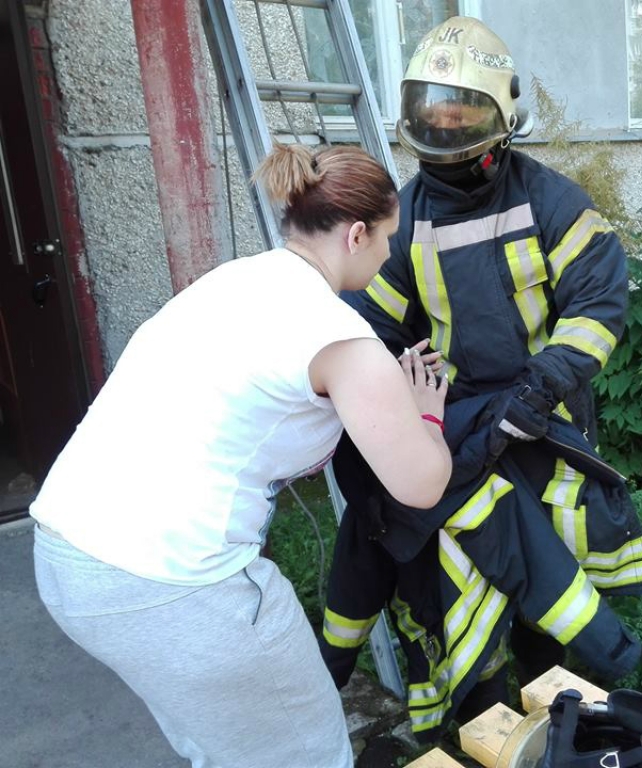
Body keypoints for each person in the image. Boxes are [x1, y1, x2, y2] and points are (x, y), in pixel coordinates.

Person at [29, 143, 452, 768]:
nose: (392, 253)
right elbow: (421, 483)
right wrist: (424, 410)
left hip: (70, 557)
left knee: (227, 745)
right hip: (173, 584)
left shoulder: (235, 280)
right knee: (304, 751)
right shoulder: (340, 335)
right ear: (357, 234)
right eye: (390, 237)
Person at [319, 17, 642, 742]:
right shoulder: (403, 221)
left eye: (462, 113)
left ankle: (565, 719)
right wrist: (403, 407)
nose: (446, 127)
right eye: (433, 113)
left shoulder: (554, 204)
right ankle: (485, 726)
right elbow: (371, 330)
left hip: (546, 421)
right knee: (471, 584)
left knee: (554, 571)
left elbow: (598, 307)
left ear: (503, 121)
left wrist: (536, 395)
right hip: (459, 432)